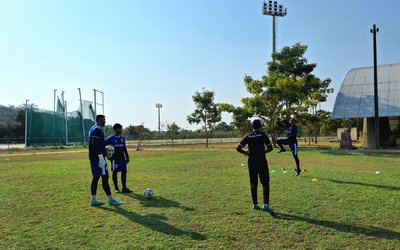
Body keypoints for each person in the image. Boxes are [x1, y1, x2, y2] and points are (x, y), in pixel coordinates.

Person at [236, 119, 274, 215]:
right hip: (262, 161)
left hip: (251, 162)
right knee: (265, 183)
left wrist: (245, 152)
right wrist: (262, 152)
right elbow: (270, 148)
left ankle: (255, 204)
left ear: (252, 126)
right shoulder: (263, 135)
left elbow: (238, 148)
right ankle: (265, 205)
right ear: (260, 126)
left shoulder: (248, 136)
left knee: (253, 183)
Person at [88, 114, 123, 206]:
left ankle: (93, 200)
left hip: (94, 157)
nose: (105, 121)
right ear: (99, 119)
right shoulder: (97, 129)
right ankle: (111, 200)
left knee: (96, 177)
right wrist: (100, 157)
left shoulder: (93, 128)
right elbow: (94, 144)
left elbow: (98, 144)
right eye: (104, 119)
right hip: (98, 158)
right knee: (104, 177)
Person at [106, 123, 132, 193]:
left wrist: (127, 156)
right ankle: (116, 188)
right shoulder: (110, 139)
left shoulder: (122, 138)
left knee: (124, 172)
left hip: (122, 158)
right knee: (115, 173)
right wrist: (109, 158)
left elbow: (124, 148)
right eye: (119, 128)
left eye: (121, 128)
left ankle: (124, 188)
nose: (121, 129)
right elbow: (105, 149)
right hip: (114, 159)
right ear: (115, 129)